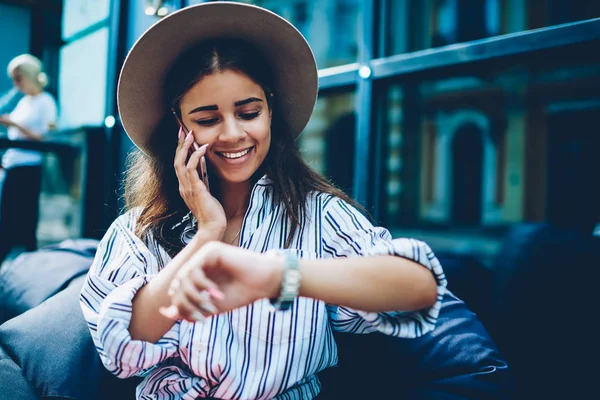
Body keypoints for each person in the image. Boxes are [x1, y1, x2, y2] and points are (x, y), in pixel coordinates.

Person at [80, 3, 446, 399]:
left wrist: (277, 275)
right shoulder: (138, 230)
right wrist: (208, 234)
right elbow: (119, 348)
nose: (233, 133)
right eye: (207, 120)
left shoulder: (316, 215)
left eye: (249, 112)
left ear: (270, 111)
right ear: (179, 127)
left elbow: (419, 288)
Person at [0, 54, 57, 265]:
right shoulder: (23, 102)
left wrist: (14, 125)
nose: (15, 84)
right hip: (12, 165)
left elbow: (44, 135)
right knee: (6, 219)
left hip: (29, 167)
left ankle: (26, 263)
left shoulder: (46, 101)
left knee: (24, 219)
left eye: (18, 78)